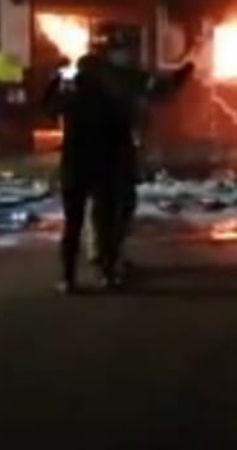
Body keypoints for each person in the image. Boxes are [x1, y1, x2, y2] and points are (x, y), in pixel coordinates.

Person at [42, 30, 194, 293]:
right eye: (124, 50)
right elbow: (158, 91)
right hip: (105, 160)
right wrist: (182, 75)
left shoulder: (75, 82)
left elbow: (49, 107)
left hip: (77, 161)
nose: (130, 55)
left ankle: (70, 277)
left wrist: (54, 81)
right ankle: (105, 270)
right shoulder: (119, 81)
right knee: (106, 217)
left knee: (78, 221)